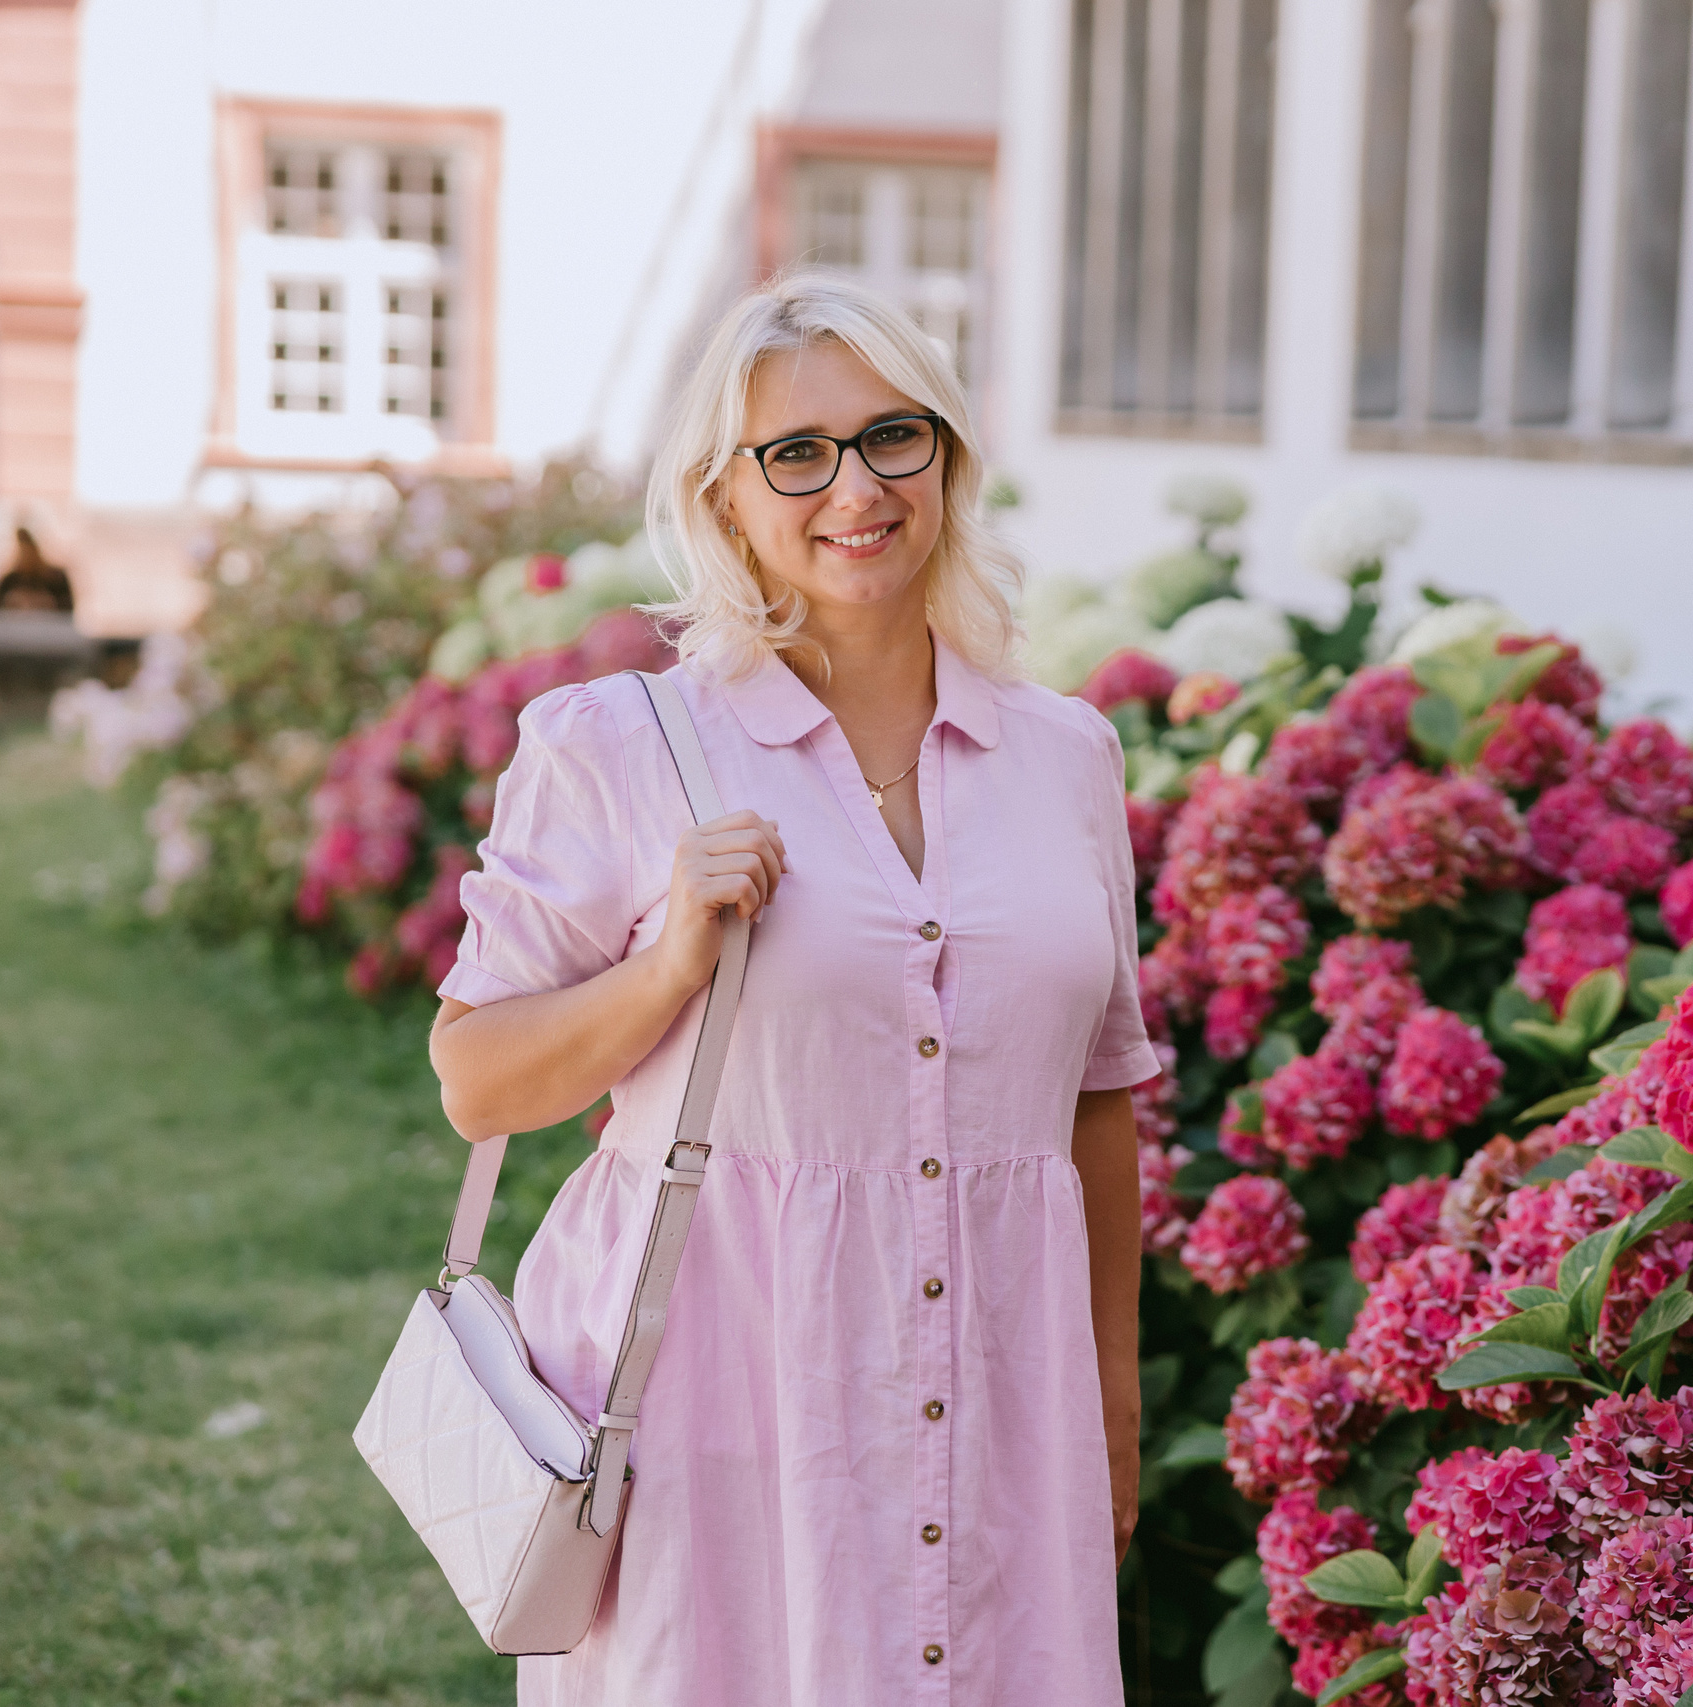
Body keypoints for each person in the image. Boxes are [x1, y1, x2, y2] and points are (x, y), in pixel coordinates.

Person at [428, 274, 1155, 1704]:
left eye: (894, 437)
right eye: (797, 454)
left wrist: (1111, 1411)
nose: (855, 489)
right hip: (723, 1404)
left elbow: (1099, 1103)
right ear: (725, 496)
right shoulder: (620, 746)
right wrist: (669, 965)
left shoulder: (1066, 757)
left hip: (1007, 1408)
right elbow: (477, 1082)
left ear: (946, 457)